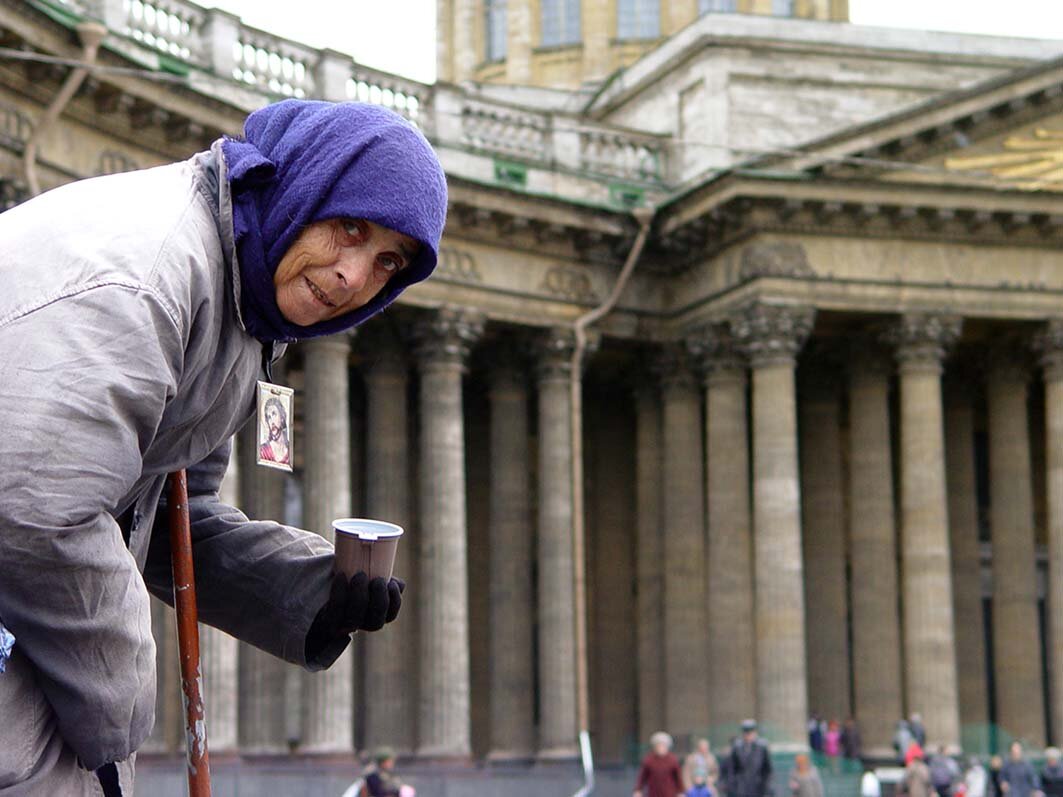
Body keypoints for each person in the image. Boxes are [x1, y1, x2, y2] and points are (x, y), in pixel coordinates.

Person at [0, 99, 448, 794]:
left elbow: (172, 519)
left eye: (386, 261)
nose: (353, 276)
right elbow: (34, 505)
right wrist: (117, 717)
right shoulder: (147, 278)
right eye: (348, 227)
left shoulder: (238, 312)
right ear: (298, 186)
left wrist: (310, 589)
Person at [725, 720, 774, 797]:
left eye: (750, 733)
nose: (748, 736)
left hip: (758, 787)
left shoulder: (762, 747)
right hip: (741, 788)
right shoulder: (737, 747)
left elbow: (767, 769)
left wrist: (766, 787)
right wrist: (733, 785)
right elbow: (732, 769)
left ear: (754, 733)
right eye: (746, 733)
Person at [635, 732, 684, 797]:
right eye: (658, 745)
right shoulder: (649, 760)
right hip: (654, 793)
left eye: (663, 745)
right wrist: (638, 790)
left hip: (669, 793)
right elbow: (642, 777)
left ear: (667, 746)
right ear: (654, 747)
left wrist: (681, 792)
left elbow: (678, 778)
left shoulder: (672, 760)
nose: (661, 748)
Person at [259, 395, 291, 464]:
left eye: (274, 414)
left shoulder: (290, 450)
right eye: (269, 417)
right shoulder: (263, 451)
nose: (272, 422)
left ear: (282, 417)